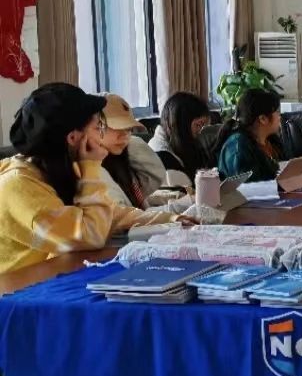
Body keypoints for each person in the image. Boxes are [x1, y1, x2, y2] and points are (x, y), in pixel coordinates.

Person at [0, 84, 179, 274]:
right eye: (98, 128)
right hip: (16, 287)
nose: (101, 136)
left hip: (52, 277)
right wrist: (92, 166)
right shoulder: (20, 187)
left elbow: (111, 214)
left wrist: (173, 219)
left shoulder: (56, 170)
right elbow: (91, 237)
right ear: (73, 138)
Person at [98, 94, 167, 208]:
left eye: (128, 128)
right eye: (118, 127)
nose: (125, 135)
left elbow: (156, 176)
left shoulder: (120, 163)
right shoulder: (92, 173)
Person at [215, 89, 285, 181]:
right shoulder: (238, 147)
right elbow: (249, 186)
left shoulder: (272, 140)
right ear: (263, 119)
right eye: (277, 112)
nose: (280, 116)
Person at [150, 92, 213, 190]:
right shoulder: (161, 155)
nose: (201, 130)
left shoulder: (184, 142)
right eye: (198, 125)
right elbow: (184, 192)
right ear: (182, 124)